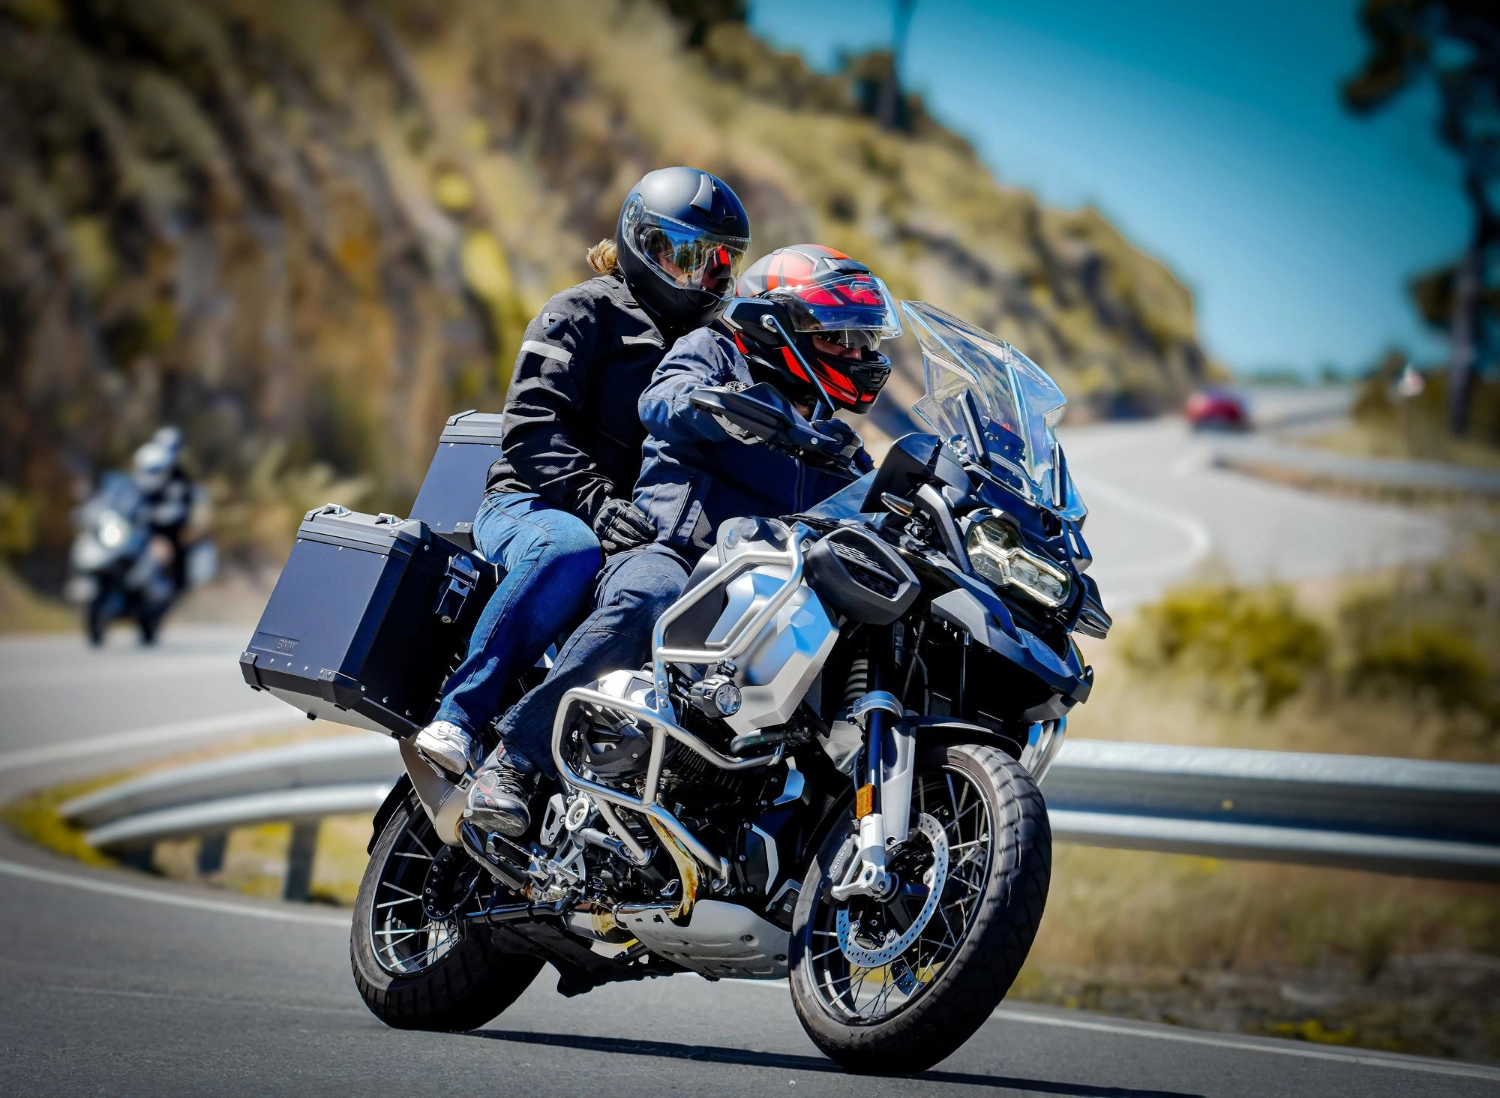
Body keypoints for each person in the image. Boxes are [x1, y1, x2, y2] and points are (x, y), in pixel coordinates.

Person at [466, 244, 901, 837]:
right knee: (650, 598)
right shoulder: (715, 351)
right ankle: (513, 761)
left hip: (764, 582)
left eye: (864, 341)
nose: (856, 353)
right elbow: (663, 397)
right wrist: (721, 408)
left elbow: (869, 501)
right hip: (674, 551)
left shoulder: (832, 436)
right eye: (838, 337)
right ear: (779, 325)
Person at [413, 168, 751, 778]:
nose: (704, 276)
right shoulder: (582, 311)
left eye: (720, 262)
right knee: (569, 550)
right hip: (534, 503)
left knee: (677, 600)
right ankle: (460, 718)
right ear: (641, 243)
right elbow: (530, 426)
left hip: (630, 531)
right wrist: (594, 502)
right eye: (687, 256)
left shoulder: (710, 346)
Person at [131, 427, 196, 590]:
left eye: (172, 447)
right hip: (134, 525)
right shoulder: (145, 466)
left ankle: (148, 591)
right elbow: (125, 490)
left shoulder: (180, 480)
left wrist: (155, 515)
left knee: (159, 556)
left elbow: (180, 510)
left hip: (160, 532)